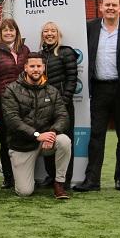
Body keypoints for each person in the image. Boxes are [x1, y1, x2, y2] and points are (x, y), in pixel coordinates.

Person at [78, 0, 120, 192]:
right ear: (101, 7)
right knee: (96, 135)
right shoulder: (90, 27)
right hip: (99, 89)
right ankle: (92, 180)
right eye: (107, 5)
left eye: (114, 5)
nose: (111, 8)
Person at [2, 53, 72, 198]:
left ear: (44, 68)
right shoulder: (11, 90)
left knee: (64, 140)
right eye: (32, 66)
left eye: (39, 66)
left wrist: (51, 134)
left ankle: (59, 184)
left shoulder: (52, 91)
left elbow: (63, 116)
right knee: (24, 192)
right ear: (25, 68)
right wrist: (37, 135)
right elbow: (12, 120)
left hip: (46, 142)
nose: (36, 69)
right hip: (21, 144)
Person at [0, 18, 29, 189]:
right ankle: (8, 177)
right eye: (5, 30)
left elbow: (30, 71)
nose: (8, 33)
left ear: (16, 32)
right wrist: (0, 91)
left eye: (12, 30)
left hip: (24, 103)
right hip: (2, 103)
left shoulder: (24, 49)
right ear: (0, 33)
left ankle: (23, 175)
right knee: (6, 139)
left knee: (22, 137)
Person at [39, 21, 78, 190]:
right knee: (48, 140)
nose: (49, 33)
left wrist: (63, 101)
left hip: (64, 107)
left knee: (65, 142)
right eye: (46, 31)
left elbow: (72, 80)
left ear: (58, 34)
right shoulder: (39, 56)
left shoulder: (66, 53)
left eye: (52, 31)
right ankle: (51, 175)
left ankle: (65, 179)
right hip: (44, 107)